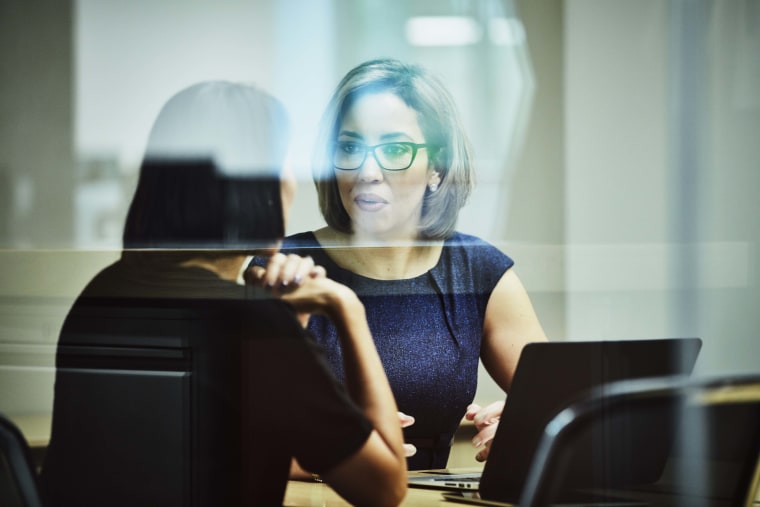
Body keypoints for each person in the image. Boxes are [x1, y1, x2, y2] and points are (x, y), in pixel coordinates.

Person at [40, 81, 407, 506]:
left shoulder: (105, 292)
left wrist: (289, 321)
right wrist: (346, 308)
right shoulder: (248, 325)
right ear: (255, 185)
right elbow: (384, 489)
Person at [254, 58, 548, 470]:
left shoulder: (478, 271)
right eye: (350, 147)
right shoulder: (280, 269)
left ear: (437, 167)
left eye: (394, 149)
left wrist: (530, 431)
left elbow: (565, 409)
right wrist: (327, 447)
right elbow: (223, 431)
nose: (367, 171)